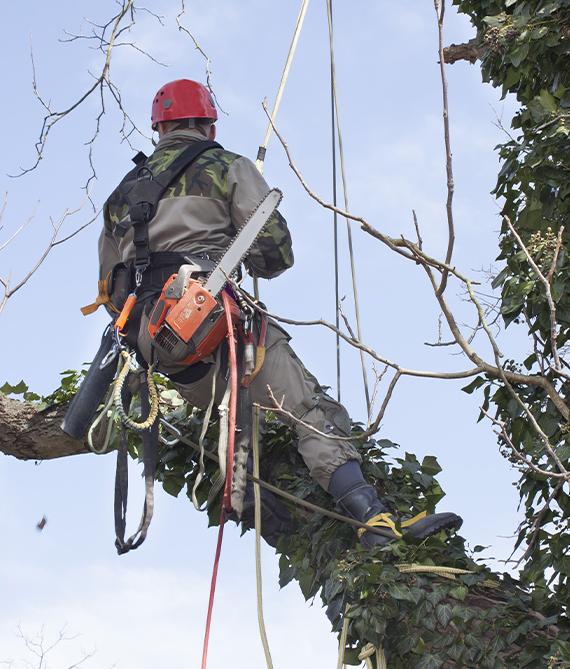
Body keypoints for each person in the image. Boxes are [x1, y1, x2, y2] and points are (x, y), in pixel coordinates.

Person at [92, 78, 462, 547]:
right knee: (308, 409)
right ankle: (373, 520)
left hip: (158, 344)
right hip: (211, 319)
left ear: (158, 129)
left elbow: (110, 289)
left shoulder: (120, 197)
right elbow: (274, 253)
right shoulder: (227, 165)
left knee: (238, 409)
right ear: (208, 125)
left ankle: (246, 492)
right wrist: (233, 245)